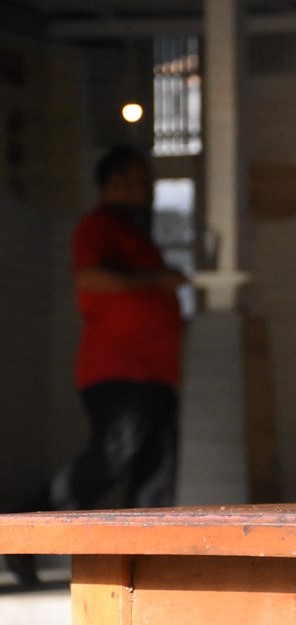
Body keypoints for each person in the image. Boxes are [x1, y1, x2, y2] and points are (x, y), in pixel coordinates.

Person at [5, 145, 187, 585]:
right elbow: (91, 278)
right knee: (111, 457)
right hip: (118, 370)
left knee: (156, 476)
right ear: (116, 183)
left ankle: (152, 574)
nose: (148, 191)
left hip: (157, 373)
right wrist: (159, 280)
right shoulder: (98, 227)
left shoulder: (138, 237)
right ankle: (25, 532)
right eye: (141, 181)